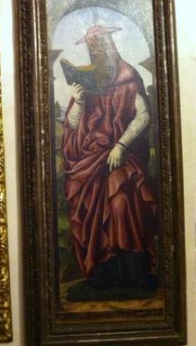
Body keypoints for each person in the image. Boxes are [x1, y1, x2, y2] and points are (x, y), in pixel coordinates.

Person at [62, 25, 158, 290]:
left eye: (100, 47)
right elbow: (72, 125)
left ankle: (135, 269)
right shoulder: (87, 81)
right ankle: (102, 270)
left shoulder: (127, 77)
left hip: (119, 156)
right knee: (89, 204)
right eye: (92, 49)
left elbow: (143, 116)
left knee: (120, 202)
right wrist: (78, 102)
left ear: (111, 47)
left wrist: (121, 145)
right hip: (89, 159)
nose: (97, 53)